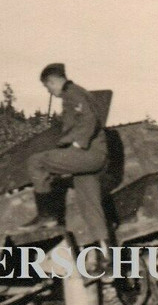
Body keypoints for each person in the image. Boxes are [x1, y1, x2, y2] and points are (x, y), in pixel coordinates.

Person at [24, 63, 109, 247]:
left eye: (47, 87)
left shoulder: (71, 94)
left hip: (87, 154)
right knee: (90, 206)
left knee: (36, 162)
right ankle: (107, 259)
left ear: (53, 81)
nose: (49, 91)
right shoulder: (81, 92)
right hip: (94, 158)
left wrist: (78, 144)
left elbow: (89, 119)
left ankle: (47, 216)